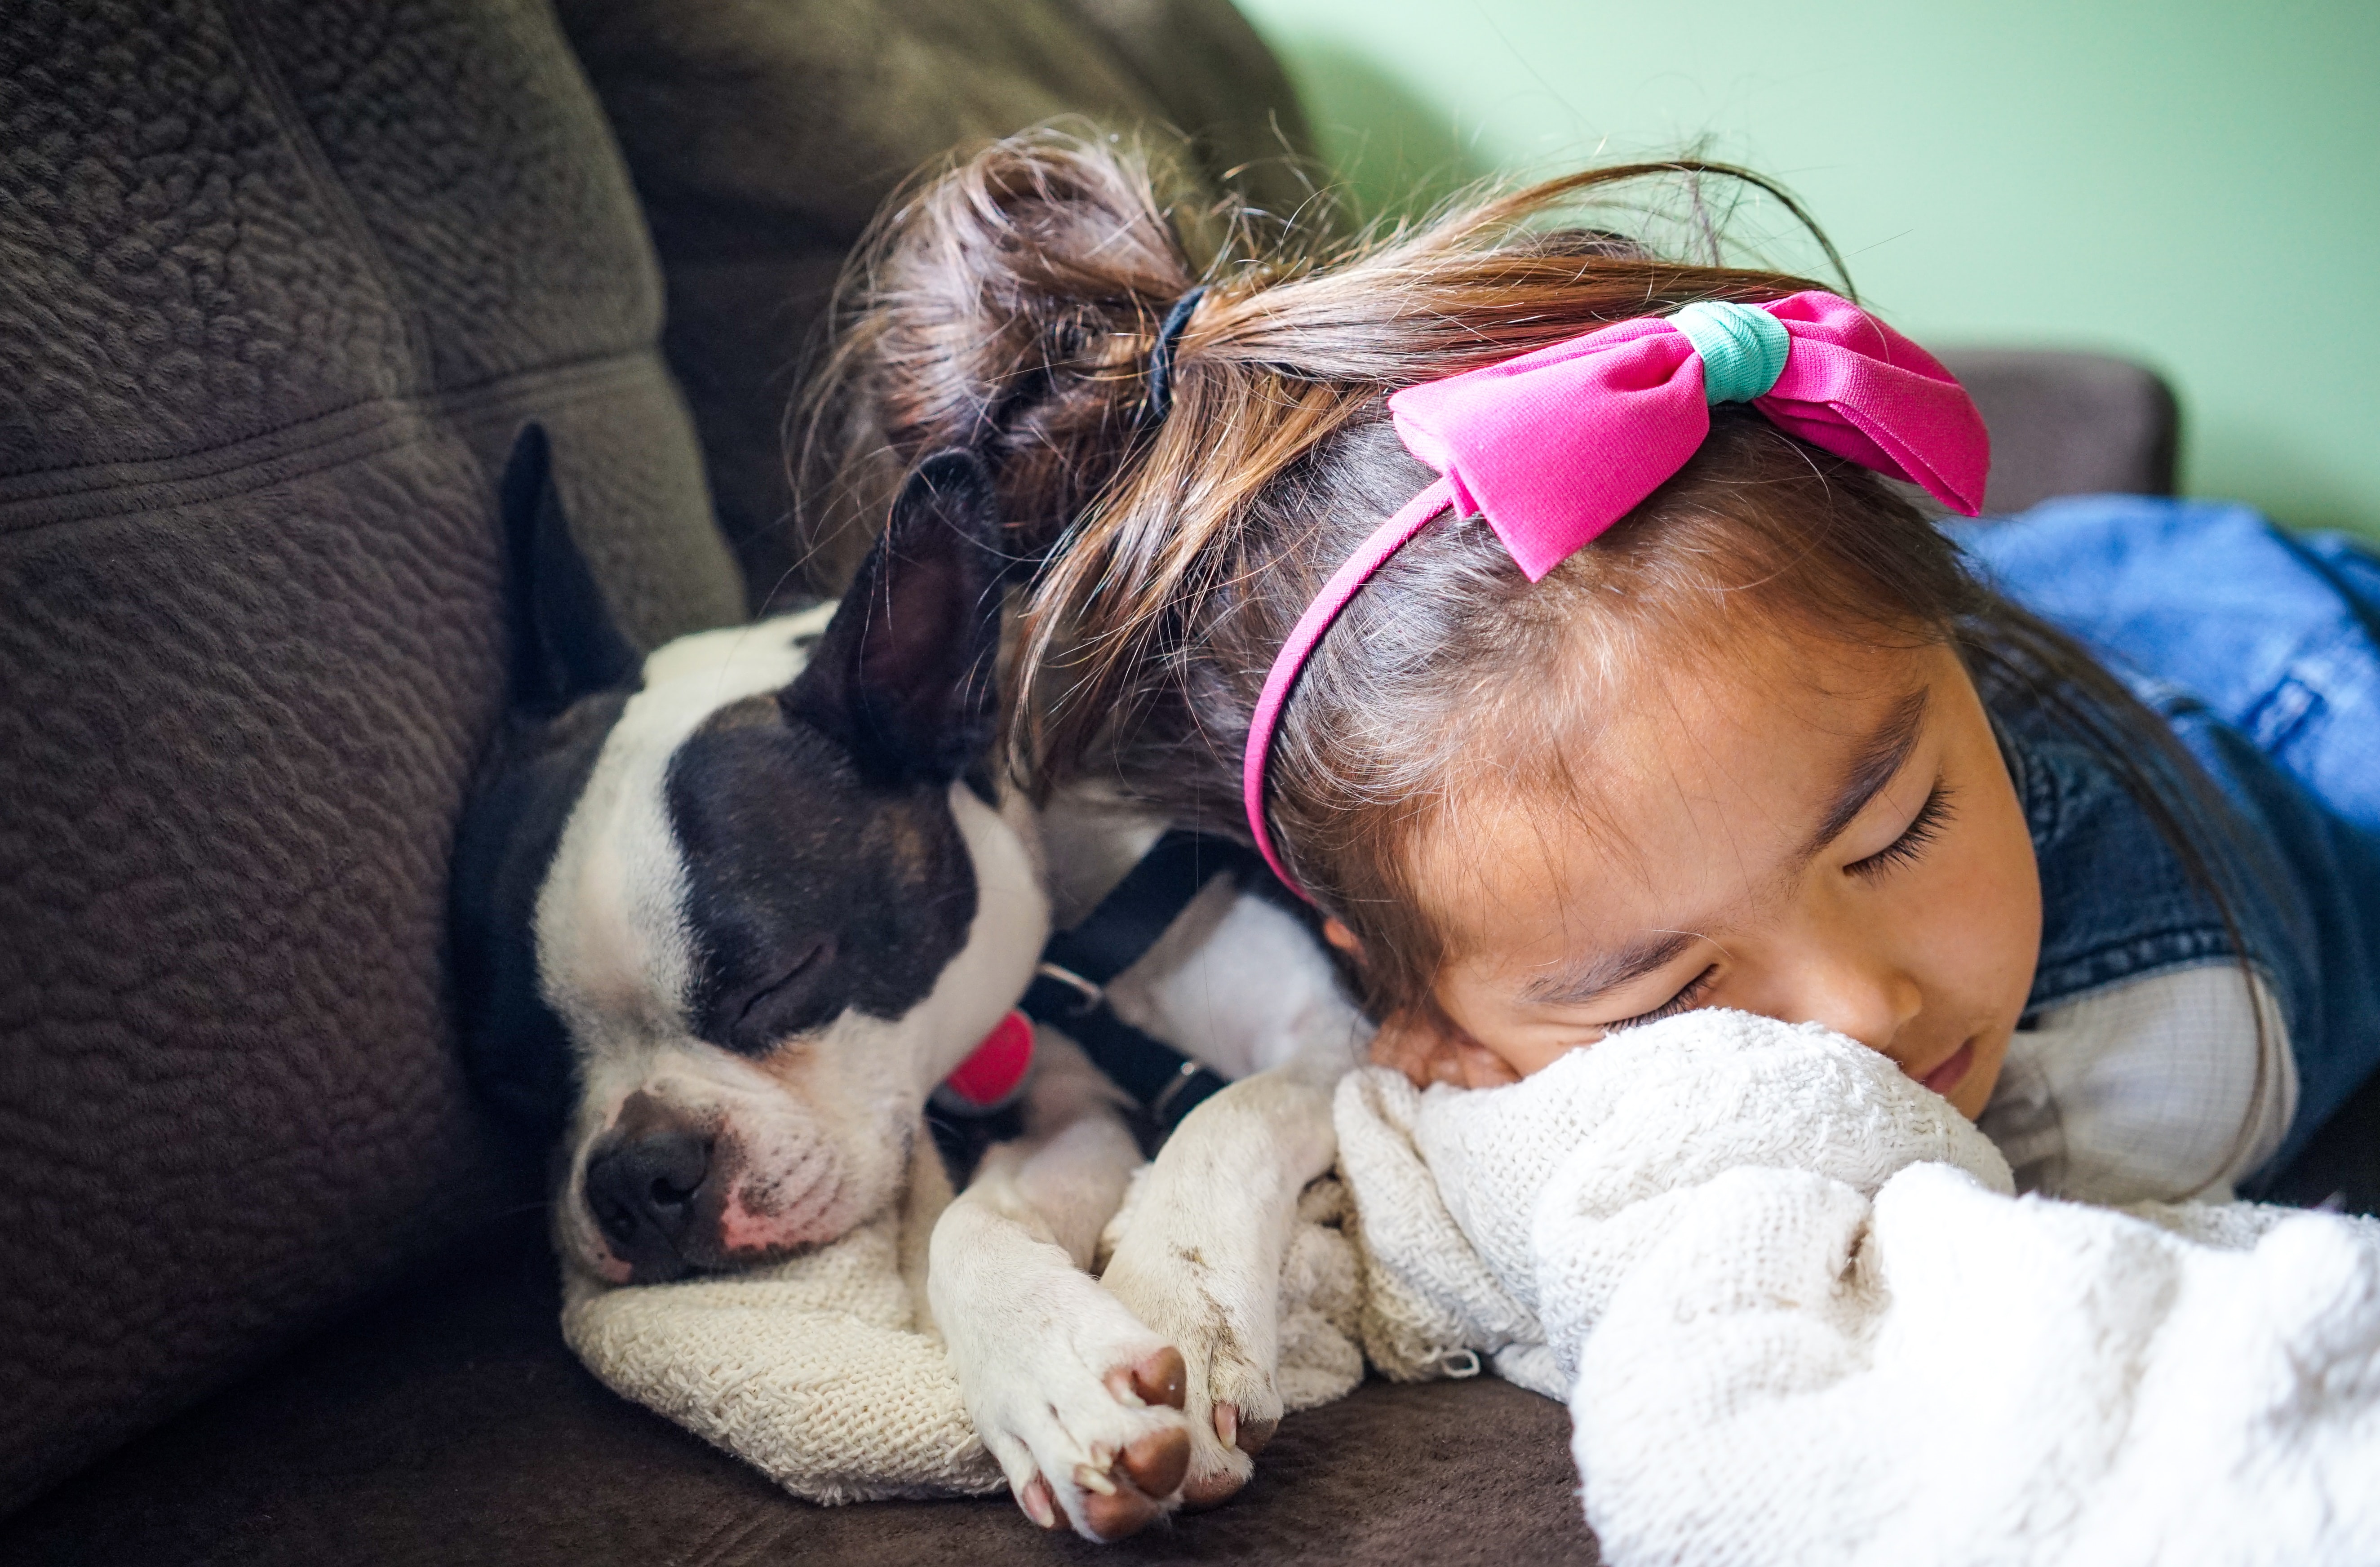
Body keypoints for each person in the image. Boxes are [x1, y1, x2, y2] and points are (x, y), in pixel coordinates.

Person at [809, 128, 2380, 1205]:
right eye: (1667, 987)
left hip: (2282, 665)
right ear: (1408, 999)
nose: (1863, 1008)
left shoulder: (2176, 1049)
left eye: (1896, 827)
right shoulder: (1411, 835)